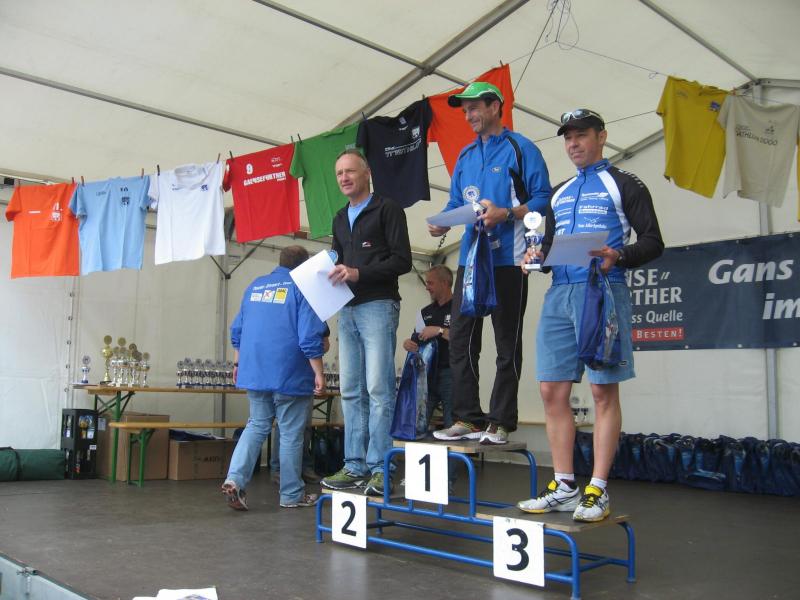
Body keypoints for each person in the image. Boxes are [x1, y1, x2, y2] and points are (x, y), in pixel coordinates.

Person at [516, 108, 664, 522]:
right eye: (568, 137)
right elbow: (546, 246)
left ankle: (597, 488)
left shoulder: (625, 184)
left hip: (602, 290)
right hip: (559, 294)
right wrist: (535, 258)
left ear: (602, 136)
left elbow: (653, 241)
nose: (573, 144)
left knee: (602, 391)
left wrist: (620, 255)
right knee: (551, 390)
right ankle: (564, 485)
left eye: (581, 135)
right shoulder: (559, 193)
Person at [429, 81, 551, 445]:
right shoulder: (466, 156)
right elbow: (456, 203)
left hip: (509, 258)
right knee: (461, 339)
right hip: (471, 259)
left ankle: (500, 422)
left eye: (474, 108)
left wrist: (507, 213)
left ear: (495, 106)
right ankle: (467, 418)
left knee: (506, 343)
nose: (468, 115)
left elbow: (543, 198)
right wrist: (441, 222)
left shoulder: (521, 148)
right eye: (465, 110)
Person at [321, 149, 412, 496]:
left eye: (350, 171)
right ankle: (354, 465)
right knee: (350, 390)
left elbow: (402, 260)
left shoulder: (388, 209)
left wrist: (359, 272)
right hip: (347, 309)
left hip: (378, 305)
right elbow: (338, 260)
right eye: (339, 173)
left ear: (367, 173)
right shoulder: (339, 218)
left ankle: (380, 467)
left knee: (378, 389)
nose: (344, 178)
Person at [221, 245, 326, 510]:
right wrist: (318, 372)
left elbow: (237, 330)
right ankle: (291, 494)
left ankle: (235, 479)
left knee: (256, 425)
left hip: (255, 369)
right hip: (290, 372)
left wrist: (237, 362)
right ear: (304, 266)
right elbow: (309, 337)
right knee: (290, 433)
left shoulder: (255, 286)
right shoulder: (304, 288)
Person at [270, 328, 330, 484]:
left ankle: (302, 467)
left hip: (306, 375)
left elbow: (325, 344)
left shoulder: (318, 316)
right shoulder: (296, 314)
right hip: (288, 372)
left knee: (304, 426)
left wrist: (317, 348)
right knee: (286, 427)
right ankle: (281, 470)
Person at [401, 265, 454, 430]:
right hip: (426, 375)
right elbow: (416, 341)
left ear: (444, 283)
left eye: (430, 283)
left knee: (452, 425)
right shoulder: (425, 312)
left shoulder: (460, 308)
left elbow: (463, 338)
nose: (426, 287)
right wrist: (408, 344)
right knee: (417, 423)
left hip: (451, 374)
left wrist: (439, 331)